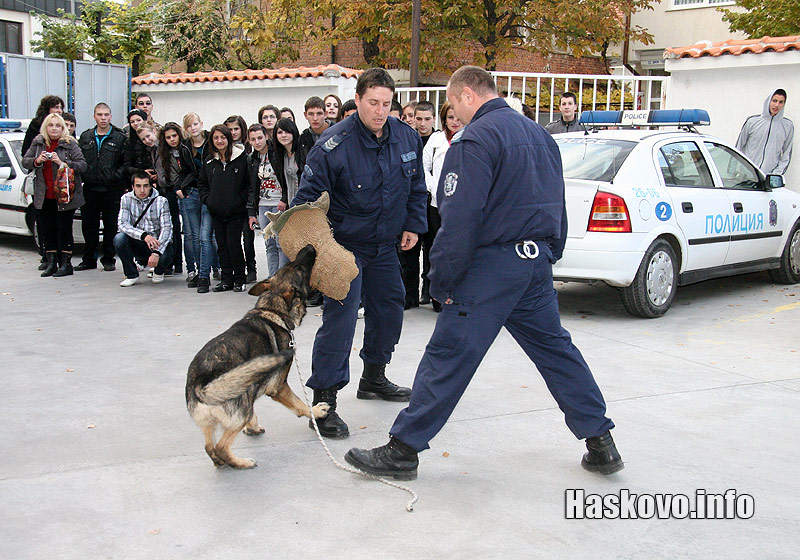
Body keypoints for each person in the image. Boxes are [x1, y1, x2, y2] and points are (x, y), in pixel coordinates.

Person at [345, 66, 623, 480]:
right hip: (535, 266)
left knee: (448, 355)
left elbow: (460, 220)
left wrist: (442, 281)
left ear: (468, 94)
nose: (454, 115)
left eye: (455, 105)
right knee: (557, 352)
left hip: (490, 266)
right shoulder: (540, 135)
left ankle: (403, 450)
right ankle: (601, 442)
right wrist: (549, 254)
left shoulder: (475, 139)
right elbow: (557, 201)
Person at [291, 68, 427, 439]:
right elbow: (306, 204)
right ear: (359, 99)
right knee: (341, 319)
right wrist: (319, 254)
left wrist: (413, 224)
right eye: (373, 103)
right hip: (344, 248)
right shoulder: (332, 146)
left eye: (386, 104)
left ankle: (374, 377)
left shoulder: (407, 137)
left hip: (384, 246)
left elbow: (416, 185)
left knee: (390, 309)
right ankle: (324, 403)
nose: (380, 111)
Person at [22, 113, 87, 277]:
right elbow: (25, 161)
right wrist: (37, 161)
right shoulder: (38, 143)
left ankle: (66, 264)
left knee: (64, 230)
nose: (54, 128)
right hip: (44, 195)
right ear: (46, 127)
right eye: (51, 125)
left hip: (64, 195)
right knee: (47, 230)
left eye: (58, 125)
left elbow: (82, 165)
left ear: (63, 128)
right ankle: (51, 262)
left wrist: (62, 163)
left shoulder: (69, 144)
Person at [198, 125, 253, 292]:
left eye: (223, 137)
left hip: (236, 212)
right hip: (216, 211)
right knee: (221, 246)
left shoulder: (241, 158)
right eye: (216, 138)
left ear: (229, 138)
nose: (220, 141)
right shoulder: (209, 160)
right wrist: (209, 200)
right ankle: (226, 279)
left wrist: (239, 201)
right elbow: (202, 183)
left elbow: (248, 184)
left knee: (233, 244)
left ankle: (239, 279)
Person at [75, 103, 128, 272]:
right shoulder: (85, 137)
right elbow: (79, 159)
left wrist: (115, 176)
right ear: (94, 116)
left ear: (111, 116)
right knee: (88, 226)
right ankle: (89, 259)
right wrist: (85, 176)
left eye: (106, 115)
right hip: (90, 188)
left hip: (112, 189)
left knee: (111, 225)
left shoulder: (120, 137)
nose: (103, 118)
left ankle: (108, 259)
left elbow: (125, 163)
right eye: (100, 114)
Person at [419, 100, 462, 310]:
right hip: (436, 204)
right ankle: (437, 295)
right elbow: (423, 167)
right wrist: (433, 186)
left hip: (461, 206)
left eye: (458, 118)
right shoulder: (436, 140)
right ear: (444, 119)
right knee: (436, 250)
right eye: (450, 118)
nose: (454, 122)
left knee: (456, 251)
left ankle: (456, 293)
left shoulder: (471, 138)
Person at [399, 100, 437, 309]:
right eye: (417, 118)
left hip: (432, 203)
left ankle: (429, 291)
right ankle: (410, 294)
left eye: (426, 119)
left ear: (433, 119)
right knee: (409, 252)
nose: (422, 123)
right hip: (412, 204)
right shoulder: (407, 140)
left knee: (431, 249)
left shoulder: (439, 140)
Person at [23, 95, 65, 271]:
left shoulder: (65, 130)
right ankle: (47, 257)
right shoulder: (35, 129)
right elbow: (26, 157)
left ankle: (62, 259)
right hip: (42, 183)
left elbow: (75, 157)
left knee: (60, 224)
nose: (59, 111)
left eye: (60, 107)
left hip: (60, 185)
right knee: (44, 223)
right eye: (55, 107)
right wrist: (37, 160)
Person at [114, 171, 173, 287]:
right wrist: (144, 235)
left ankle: (159, 271)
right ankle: (131, 275)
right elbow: (122, 224)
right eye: (138, 186)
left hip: (157, 243)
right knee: (119, 238)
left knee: (167, 251)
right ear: (132, 187)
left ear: (151, 186)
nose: (142, 190)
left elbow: (167, 228)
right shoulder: (126, 199)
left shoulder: (161, 201)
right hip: (139, 241)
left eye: (145, 186)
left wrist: (157, 252)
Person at [182, 112, 219, 292]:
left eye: (195, 124)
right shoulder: (185, 146)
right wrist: (180, 188)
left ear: (201, 124)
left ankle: (205, 275)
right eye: (189, 126)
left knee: (206, 236)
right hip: (191, 192)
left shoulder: (211, 143)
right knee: (195, 237)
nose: (193, 128)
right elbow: (183, 170)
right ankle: (199, 271)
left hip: (209, 192)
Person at [247, 123, 286, 276]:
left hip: (279, 204)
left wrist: (284, 199)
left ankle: (281, 279)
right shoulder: (252, 158)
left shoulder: (277, 153)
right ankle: (272, 278)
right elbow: (252, 187)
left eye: (260, 138)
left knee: (280, 244)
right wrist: (252, 212)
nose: (257, 142)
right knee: (269, 244)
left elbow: (285, 178)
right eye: (253, 139)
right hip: (263, 205)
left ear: (266, 136)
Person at [156, 122, 192, 275]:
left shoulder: (185, 149)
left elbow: (190, 170)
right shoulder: (162, 152)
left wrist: (180, 187)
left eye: (174, 136)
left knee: (185, 229)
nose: (172, 139)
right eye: (168, 137)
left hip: (183, 190)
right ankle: (172, 262)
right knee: (171, 227)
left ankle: (180, 263)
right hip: (168, 191)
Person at [225, 115, 255, 281]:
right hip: (232, 201)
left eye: (236, 129)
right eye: (230, 129)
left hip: (247, 199)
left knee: (248, 238)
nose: (233, 132)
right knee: (232, 239)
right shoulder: (224, 149)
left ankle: (251, 268)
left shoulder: (249, 148)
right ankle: (238, 268)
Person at [736, 89, 794, 175]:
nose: (776, 105)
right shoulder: (752, 122)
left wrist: (776, 174)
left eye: (781, 102)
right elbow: (739, 146)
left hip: (768, 177)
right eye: (774, 101)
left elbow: (786, 154)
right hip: (746, 175)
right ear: (768, 101)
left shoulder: (787, 126)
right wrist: (737, 170)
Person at [273, 117, 306, 213]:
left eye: (287, 132)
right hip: (291, 204)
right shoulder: (280, 155)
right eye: (280, 132)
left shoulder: (303, 151)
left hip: (305, 203)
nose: (283, 135)